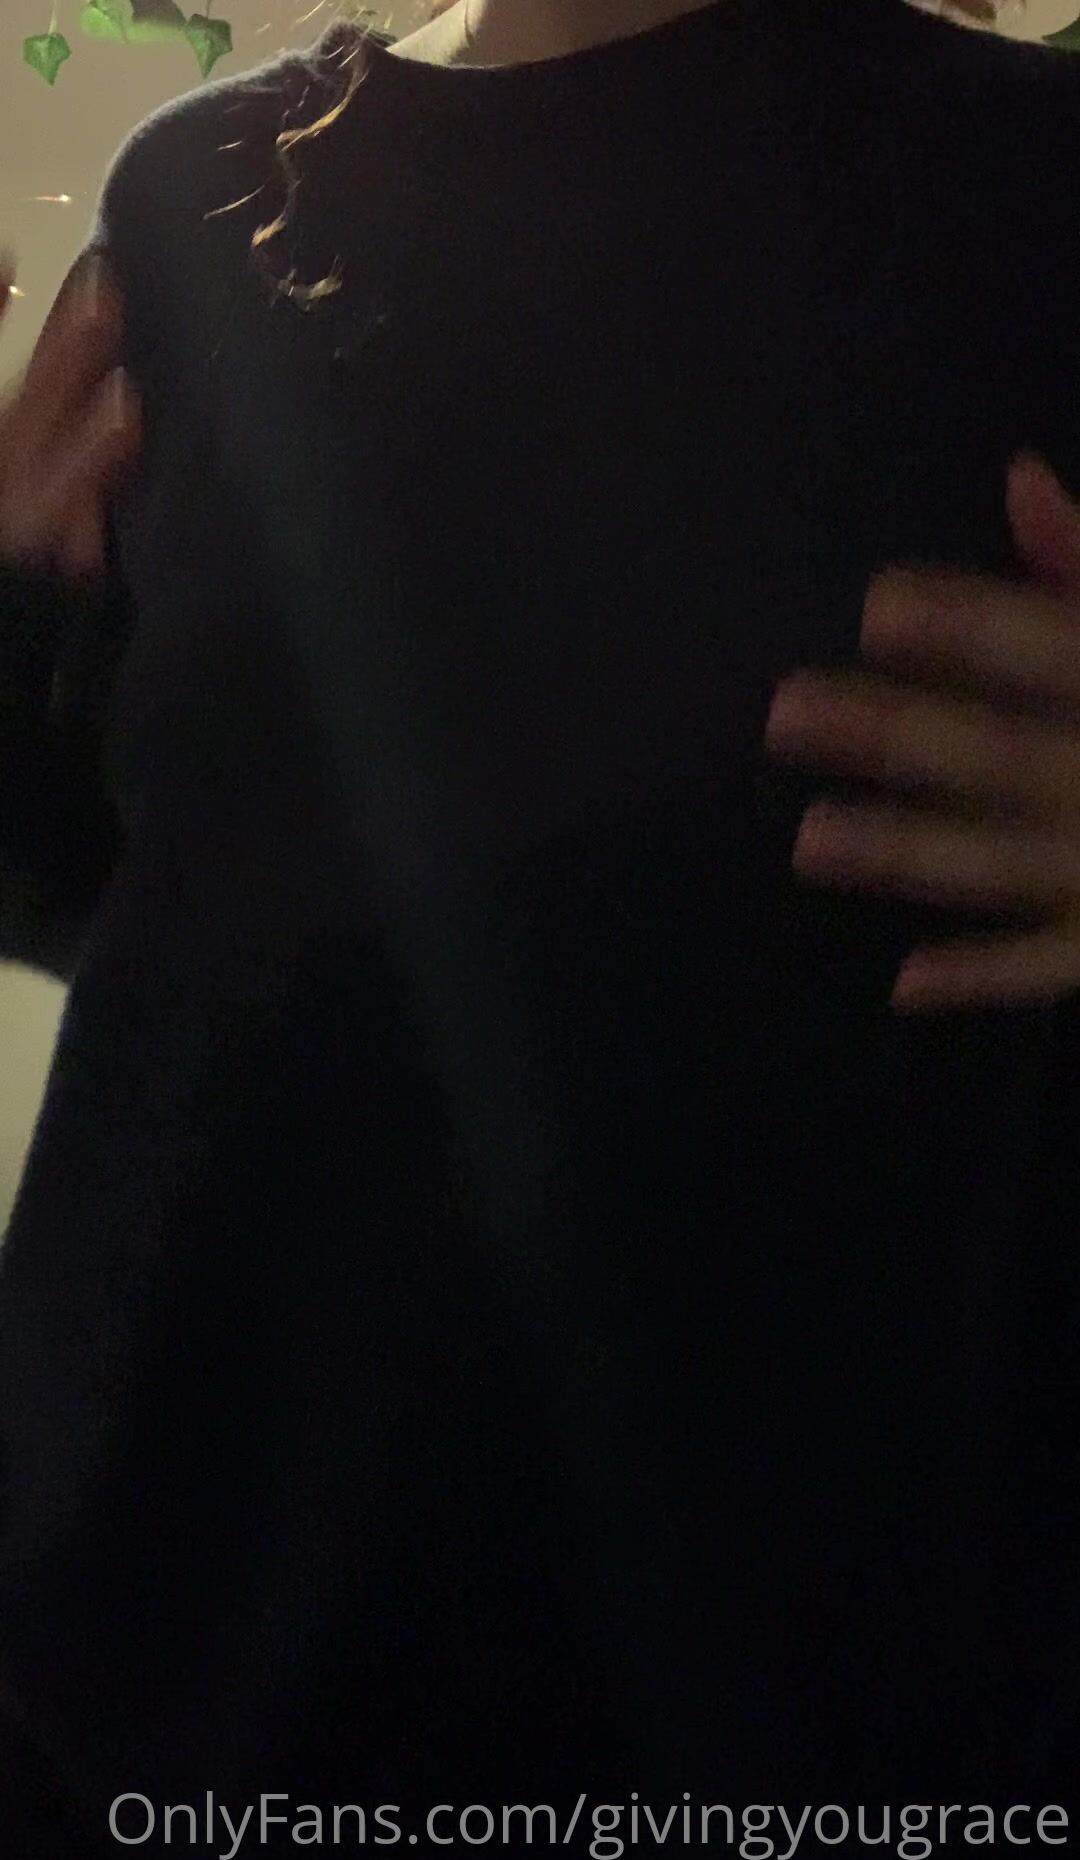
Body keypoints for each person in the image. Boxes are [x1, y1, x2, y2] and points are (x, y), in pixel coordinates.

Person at [2, 0, 1080, 1850]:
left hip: (811, 1720)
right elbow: (202, 920)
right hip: (137, 1686)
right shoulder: (194, 200)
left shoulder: (1042, 198)